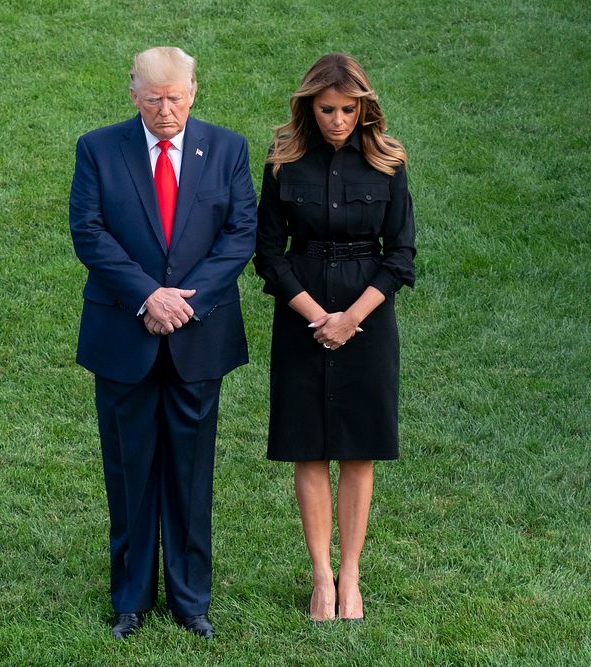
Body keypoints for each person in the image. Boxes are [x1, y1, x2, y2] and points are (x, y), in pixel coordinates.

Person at [69, 46, 257, 640]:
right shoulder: (98, 149)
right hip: (126, 334)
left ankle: (190, 599)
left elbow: (240, 234)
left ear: (194, 91)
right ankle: (130, 599)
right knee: (128, 470)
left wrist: (183, 301)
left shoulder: (227, 149)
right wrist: (149, 297)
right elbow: (89, 233)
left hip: (198, 338)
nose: (166, 109)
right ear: (133, 94)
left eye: (176, 97)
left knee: (191, 472)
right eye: (154, 99)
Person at [253, 53, 416, 623]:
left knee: (357, 445)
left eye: (349, 109)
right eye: (327, 109)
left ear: (364, 107)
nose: (339, 120)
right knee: (309, 445)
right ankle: (321, 577)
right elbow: (268, 254)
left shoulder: (389, 162)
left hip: (368, 317)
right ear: (308, 107)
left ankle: (351, 575)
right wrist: (317, 316)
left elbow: (399, 257)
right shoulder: (283, 163)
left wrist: (351, 319)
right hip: (303, 313)